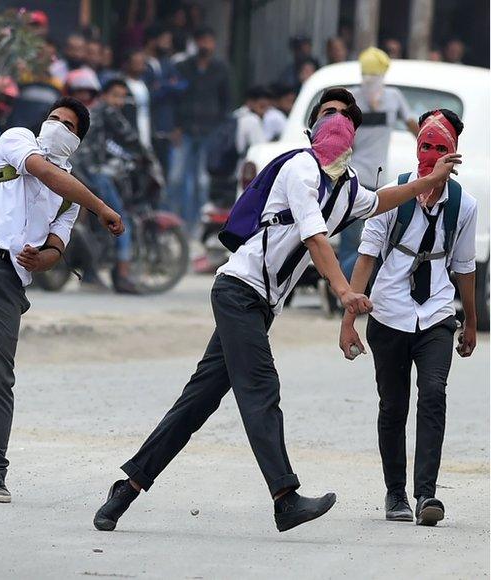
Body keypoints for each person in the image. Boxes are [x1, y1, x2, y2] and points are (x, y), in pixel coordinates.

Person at [92, 87, 461, 534]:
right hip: (237, 291)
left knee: (197, 402)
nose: (337, 121)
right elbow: (314, 237)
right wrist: (344, 293)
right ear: (312, 126)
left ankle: (125, 488)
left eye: (346, 117)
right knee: (260, 387)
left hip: (260, 305)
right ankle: (285, 497)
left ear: (354, 139)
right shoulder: (299, 166)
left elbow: (382, 199)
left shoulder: (345, 189)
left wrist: (429, 180)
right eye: (329, 114)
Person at [0, 97, 125, 503]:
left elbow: (56, 249)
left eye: (66, 124)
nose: (55, 125)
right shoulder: (18, 140)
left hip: (5, 281)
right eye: (52, 118)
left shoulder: (71, 201)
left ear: (77, 140)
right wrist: (102, 207)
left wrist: (42, 258)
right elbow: (45, 174)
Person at [340, 109, 475, 527]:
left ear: (453, 154)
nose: (432, 155)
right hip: (390, 312)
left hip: (435, 312)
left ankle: (426, 496)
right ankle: (395, 493)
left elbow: (465, 267)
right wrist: (349, 319)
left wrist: (470, 322)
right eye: (426, 147)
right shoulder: (391, 197)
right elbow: (367, 255)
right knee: (393, 403)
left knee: (433, 394)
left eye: (441, 148)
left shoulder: (464, 206)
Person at [334, 47, 419, 295]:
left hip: (350, 179)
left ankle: (337, 287)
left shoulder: (352, 100)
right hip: (375, 180)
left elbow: (345, 142)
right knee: (367, 243)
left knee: (350, 241)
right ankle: (338, 288)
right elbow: (414, 126)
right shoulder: (393, 97)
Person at [74, 79, 142, 294]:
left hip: (78, 170)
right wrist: (146, 156)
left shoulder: (92, 113)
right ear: (104, 95)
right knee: (121, 219)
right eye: (115, 96)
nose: (119, 101)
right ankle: (122, 276)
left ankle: (93, 272)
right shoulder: (107, 112)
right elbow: (130, 137)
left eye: (122, 97)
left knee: (95, 223)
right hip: (93, 173)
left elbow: (109, 145)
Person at [173, 28, 230, 229]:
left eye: (208, 40)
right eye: (201, 40)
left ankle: (197, 226)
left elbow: (226, 103)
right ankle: (175, 224)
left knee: (201, 182)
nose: (205, 45)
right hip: (185, 129)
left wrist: (221, 132)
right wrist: (175, 126)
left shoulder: (221, 68)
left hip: (209, 131)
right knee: (177, 179)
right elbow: (175, 99)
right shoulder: (183, 67)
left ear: (213, 44)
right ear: (196, 43)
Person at [142, 25, 188, 181]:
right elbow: (149, 94)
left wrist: (162, 85)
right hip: (150, 124)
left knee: (168, 171)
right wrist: (168, 85)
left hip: (167, 124)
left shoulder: (167, 63)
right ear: (152, 40)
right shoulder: (143, 63)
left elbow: (182, 86)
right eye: (165, 40)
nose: (168, 44)